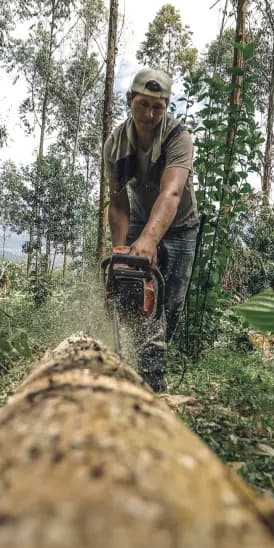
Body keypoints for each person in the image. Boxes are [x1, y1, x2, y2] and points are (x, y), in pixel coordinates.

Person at [102, 68, 199, 392]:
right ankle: (147, 377)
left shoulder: (177, 138)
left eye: (158, 107)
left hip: (181, 227)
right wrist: (120, 251)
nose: (149, 114)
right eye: (143, 105)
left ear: (166, 106)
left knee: (169, 306)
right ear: (130, 99)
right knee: (135, 300)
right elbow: (117, 204)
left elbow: (170, 194)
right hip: (141, 221)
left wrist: (149, 241)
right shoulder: (116, 144)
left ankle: (152, 365)